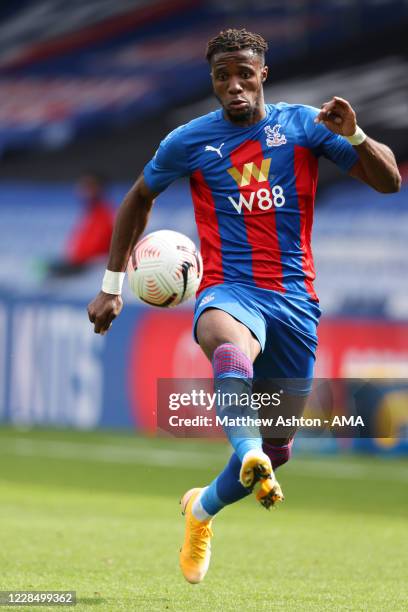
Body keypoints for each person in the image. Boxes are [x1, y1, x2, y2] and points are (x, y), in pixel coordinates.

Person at [87, 29, 401, 584]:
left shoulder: (304, 126)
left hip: (296, 303)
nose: (233, 86)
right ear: (212, 82)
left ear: (263, 74)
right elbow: (140, 196)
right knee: (225, 338)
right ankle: (249, 447)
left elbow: (389, 181)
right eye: (221, 76)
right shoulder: (188, 141)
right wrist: (113, 284)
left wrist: (354, 136)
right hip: (230, 289)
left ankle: (201, 508)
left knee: (279, 451)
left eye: (244, 74)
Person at [47, 172, 114, 277]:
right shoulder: (91, 214)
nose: (82, 190)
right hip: (79, 264)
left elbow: (97, 249)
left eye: (88, 186)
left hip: (88, 267)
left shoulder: (106, 215)